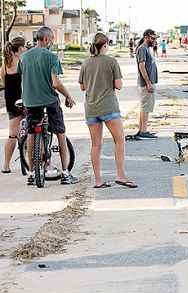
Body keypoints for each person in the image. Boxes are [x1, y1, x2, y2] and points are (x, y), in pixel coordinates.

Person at [18, 26, 77, 185]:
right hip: (49, 101)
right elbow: (56, 83)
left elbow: (23, 81)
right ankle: (65, 173)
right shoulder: (51, 57)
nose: (52, 42)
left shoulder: (24, 57)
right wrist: (68, 97)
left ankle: (31, 173)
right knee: (60, 133)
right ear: (45, 39)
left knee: (30, 134)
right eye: (51, 39)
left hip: (30, 102)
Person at [79, 33, 136, 189]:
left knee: (95, 145)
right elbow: (118, 85)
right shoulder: (111, 61)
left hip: (91, 108)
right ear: (105, 45)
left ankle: (98, 180)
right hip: (108, 107)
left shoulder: (86, 63)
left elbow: (82, 87)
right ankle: (121, 176)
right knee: (119, 140)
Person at [2, 37, 27, 174]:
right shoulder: (22, 62)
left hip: (11, 102)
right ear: (20, 48)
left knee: (12, 134)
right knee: (33, 130)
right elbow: (25, 82)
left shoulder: (5, 65)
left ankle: (6, 165)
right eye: (24, 47)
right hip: (24, 99)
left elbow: (5, 84)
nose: (26, 49)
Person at [134, 29, 158, 139]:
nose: (154, 40)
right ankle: (143, 130)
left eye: (155, 38)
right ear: (146, 37)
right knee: (146, 107)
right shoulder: (142, 49)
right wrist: (148, 83)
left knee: (145, 107)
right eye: (152, 38)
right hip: (145, 84)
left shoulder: (147, 49)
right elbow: (141, 66)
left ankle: (141, 130)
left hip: (149, 82)